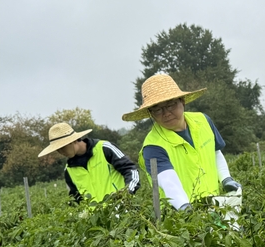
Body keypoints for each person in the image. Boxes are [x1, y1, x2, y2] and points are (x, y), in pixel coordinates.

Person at [122, 73, 241, 211]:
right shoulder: (152, 146)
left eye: (170, 105)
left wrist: (226, 178)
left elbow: (215, 152)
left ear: (182, 101)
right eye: (157, 109)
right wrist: (185, 208)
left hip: (215, 205)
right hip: (178, 218)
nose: (166, 113)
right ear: (151, 113)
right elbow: (168, 182)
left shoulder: (203, 121)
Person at [38, 122, 140, 203]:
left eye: (62, 147)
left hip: (123, 215)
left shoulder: (104, 148)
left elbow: (130, 170)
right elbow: (75, 199)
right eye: (57, 149)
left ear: (73, 140)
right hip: (95, 223)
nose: (61, 152)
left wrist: (126, 194)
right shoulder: (68, 170)